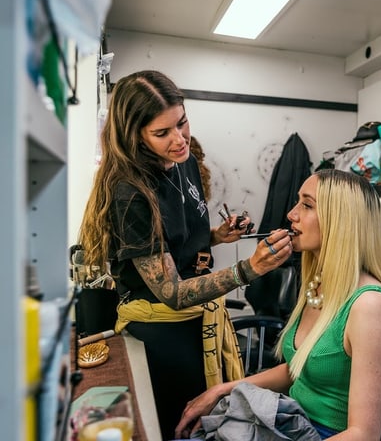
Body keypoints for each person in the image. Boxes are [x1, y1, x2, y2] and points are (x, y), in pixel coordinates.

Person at [77, 70, 293, 440]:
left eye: (182, 123)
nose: (179, 139)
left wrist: (217, 236)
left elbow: (175, 242)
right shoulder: (131, 193)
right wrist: (249, 269)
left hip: (198, 324)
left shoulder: (185, 159)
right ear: (135, 136)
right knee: (179, 427)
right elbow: (172, 292)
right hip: (162, 336)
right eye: (162, 133)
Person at [175, 169, 381, 440]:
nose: (291, 214)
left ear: (340, 220)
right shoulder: (318, 284)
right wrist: (222, 389)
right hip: (289, 420)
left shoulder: (370, 305)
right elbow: (298, 368)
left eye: (306, 205)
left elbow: (363, 434)